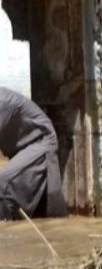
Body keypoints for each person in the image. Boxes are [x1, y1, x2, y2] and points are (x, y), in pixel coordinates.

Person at [0, 85, 67, 221]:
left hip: (41, 140)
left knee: (4, 182)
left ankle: (6, 227)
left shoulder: (2, 103)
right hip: (20, 147)